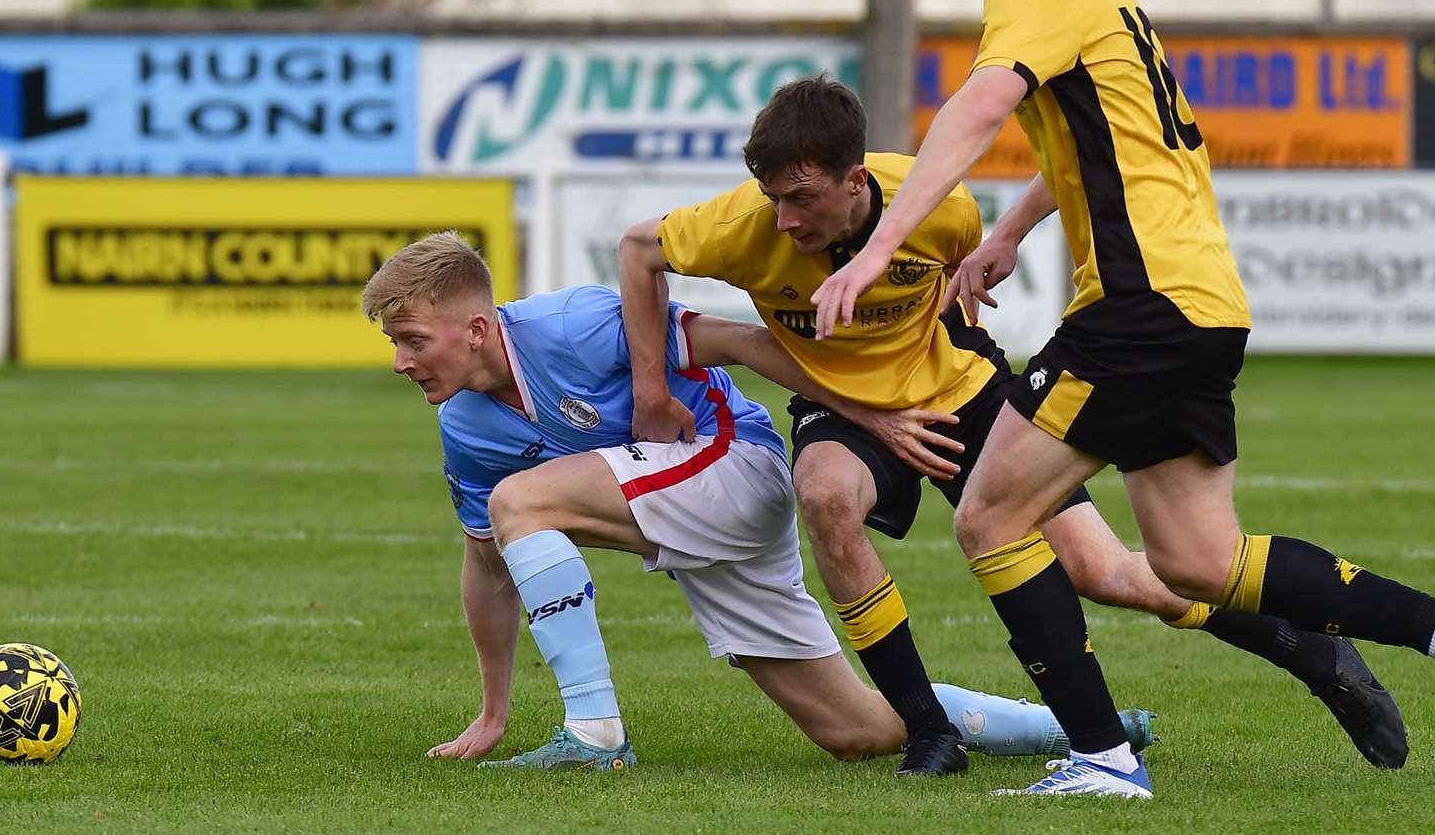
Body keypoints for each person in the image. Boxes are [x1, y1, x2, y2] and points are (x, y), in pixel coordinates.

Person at [807, 0, 1435, 796]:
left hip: (1139, 309)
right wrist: (1012, 230)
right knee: (1196, 560)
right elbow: (1112, 147)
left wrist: (880, 249)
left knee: (987, 516)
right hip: (1202, 301)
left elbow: (976, 112)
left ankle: (1103, 757)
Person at [620, 76, 1409, 784]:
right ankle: (929, 732)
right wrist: (654, 390)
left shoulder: (940, 208)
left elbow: (959, 267)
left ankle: (1308, 650)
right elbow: (637, 250)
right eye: (772, 197)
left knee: (1104, 572)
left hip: (959, 389)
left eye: (802, 197)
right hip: (844, 408)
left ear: (857, 180)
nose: (784, 217)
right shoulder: (738, 227)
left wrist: (952, 317)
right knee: (824, 496)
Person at [360, 232, 1154, 771]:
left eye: (412, 340)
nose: (400, 362)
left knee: (521, 501)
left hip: (736, 465)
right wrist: (492, 712)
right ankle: (1083, 728)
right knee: (856, 730)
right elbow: (485, 561)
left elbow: (743, 342)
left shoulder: (576, 324)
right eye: (394, 343)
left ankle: (594, 731)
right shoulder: (465, 423)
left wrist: (870, 414)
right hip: (685, 514)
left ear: (472, 328)